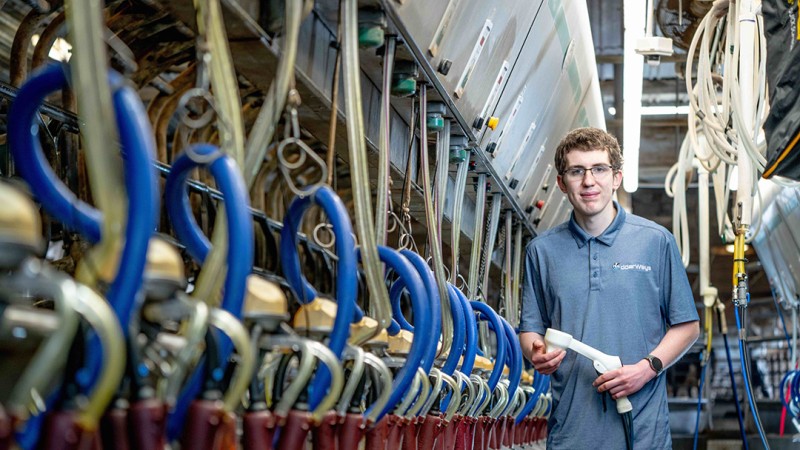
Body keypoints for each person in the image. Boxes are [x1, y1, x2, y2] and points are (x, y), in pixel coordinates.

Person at [519, 127, 700, 449]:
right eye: (577, 171)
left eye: (599, 169)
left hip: (643, 432)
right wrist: (536, 352)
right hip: (572, 431)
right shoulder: (542, 251)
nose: (589, 182)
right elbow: (531, 330)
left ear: (616, 177)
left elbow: (687, 327)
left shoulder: (655, 241)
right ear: (562, 183)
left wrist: (647, 369)